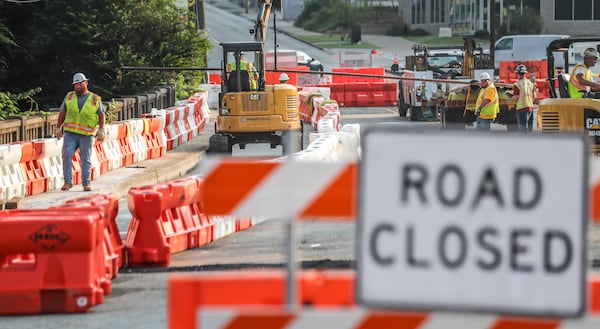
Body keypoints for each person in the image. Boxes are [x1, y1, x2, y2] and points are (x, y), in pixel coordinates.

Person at [56, 72, 106, 192]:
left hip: (87, 134)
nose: (78, 86)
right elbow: (62, 113)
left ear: (86, 83)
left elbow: (101, 114)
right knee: (67, 155)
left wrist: (101, 129)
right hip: (70, 133)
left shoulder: (94, 99)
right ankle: (68, 182)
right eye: (76, 84)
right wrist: (58, 127)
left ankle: (86, 183)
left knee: (85, 158)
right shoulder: (69, 97)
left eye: (80, 83)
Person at [510, 64, 536, 132]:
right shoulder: (530, 83)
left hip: (521, 108)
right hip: (530, 107)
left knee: (523, 129)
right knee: (528, 128)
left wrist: (509, 100)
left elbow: (516, 97)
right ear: (525, 73)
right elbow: (534, 96)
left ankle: (525, 141)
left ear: (517, 74)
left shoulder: (517, 84)